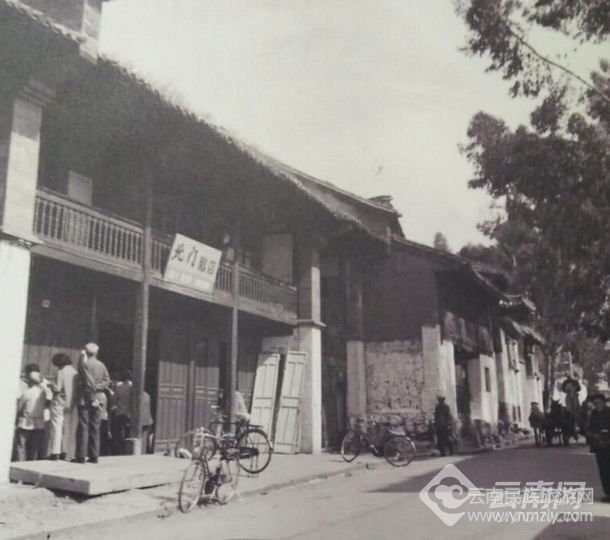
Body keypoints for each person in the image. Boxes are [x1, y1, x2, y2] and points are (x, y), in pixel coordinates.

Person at [75, 343, 110, 464]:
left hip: (85, 397)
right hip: (100, 397)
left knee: (83, 426)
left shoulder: (84, 365)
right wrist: (99, 387)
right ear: (96, 352)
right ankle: (94, 455)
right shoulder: (102, 365)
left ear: (86, 352)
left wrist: (92, 392)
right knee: (95, 426)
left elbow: (87, 382)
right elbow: (107, 380)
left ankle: (81, 455)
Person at [110, 370, 154, 454]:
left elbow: (113, 401)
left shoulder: (119, 388)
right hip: (132, 415)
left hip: (121, 413)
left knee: (118, 433)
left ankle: (120, 450)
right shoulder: (137, 389)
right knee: (130, 433)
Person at [15, 363, 52, 461]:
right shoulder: (45, 390)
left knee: (21, 445)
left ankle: (20, 462)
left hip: (25, 421)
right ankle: (31, 462)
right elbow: (49, 401)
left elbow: (20, 407)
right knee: (33, 446)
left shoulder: (26, 392)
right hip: (40, 420)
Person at [48, 353, 78, 460]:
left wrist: (50, 385)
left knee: (56, 426)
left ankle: (55, 451)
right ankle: (64, 450)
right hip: (71, 402)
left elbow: (57, 388)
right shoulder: (75, 372)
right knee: (66, 427)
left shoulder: (61, 372)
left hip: (59, 400)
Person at [586, 393, 610, 502]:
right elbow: (588, 430)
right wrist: (594, 435)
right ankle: (608, 493)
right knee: (603, 470)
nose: (598, 405)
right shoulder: (593, 415)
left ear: (604, 402)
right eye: (595, 403)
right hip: (599, 446)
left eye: (599, 403)